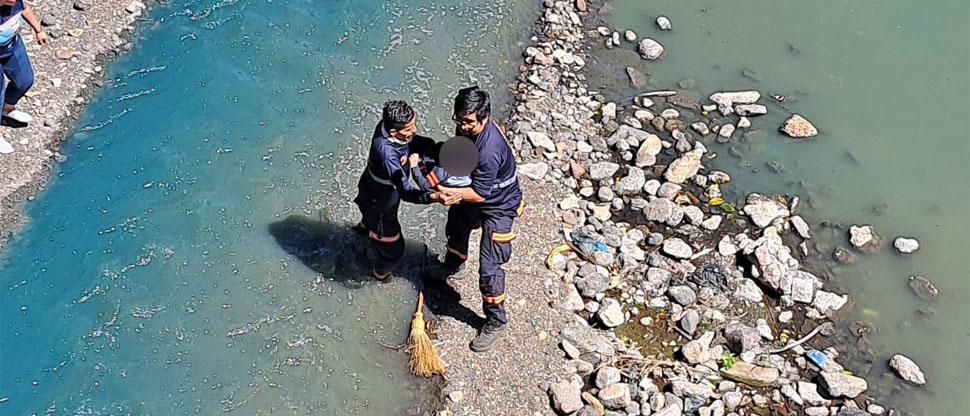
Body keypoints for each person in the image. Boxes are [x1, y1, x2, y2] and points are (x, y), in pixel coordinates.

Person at [436, 87, 524, 352]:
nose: (462, 126)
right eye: (458, 119)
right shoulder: (468, 129)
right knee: (456, 226)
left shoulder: (488, 151)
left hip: (499, 207)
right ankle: (454, 265)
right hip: (478, 193)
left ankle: (496, 320)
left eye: (468, 122)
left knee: (490, 269)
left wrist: (447, 192)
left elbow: (478, 193)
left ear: (484, 118)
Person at [353, 100, 457, 281]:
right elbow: (406, 192)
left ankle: (362, 233)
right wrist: (434, 196)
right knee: (394, 250)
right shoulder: (387, 155)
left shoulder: (389, 126)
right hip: (380, 202)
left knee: (428, 145)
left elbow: (416, 142)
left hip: (370, 188)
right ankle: (380, 275)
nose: (414, 130)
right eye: (409, 129)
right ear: (394, 132)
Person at [0, 0, 47, 154]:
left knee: (24, 81)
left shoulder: (16, 2)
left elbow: (25, 8)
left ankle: (7, 109)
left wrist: (38, 30)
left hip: (12, 46)